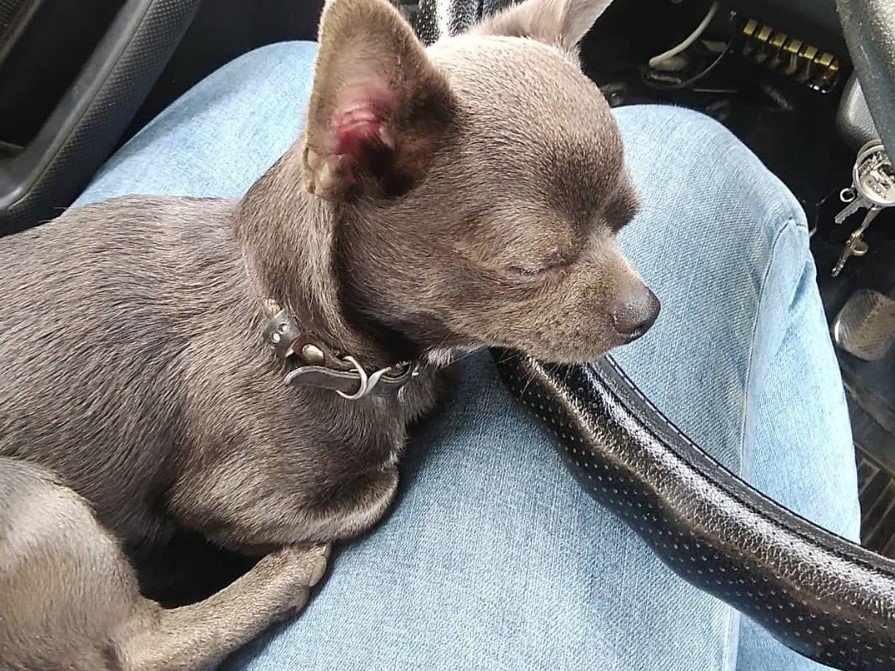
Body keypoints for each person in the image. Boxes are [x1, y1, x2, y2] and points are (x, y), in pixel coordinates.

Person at [77, 41, 859, 671]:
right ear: (356, 145)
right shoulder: (257, 397)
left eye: (618, 226)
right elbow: (229, 502)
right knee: (709, 161)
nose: (636, 300)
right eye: (532, 262)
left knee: (275, 58)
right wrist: (372, 482)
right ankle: (143, 644)